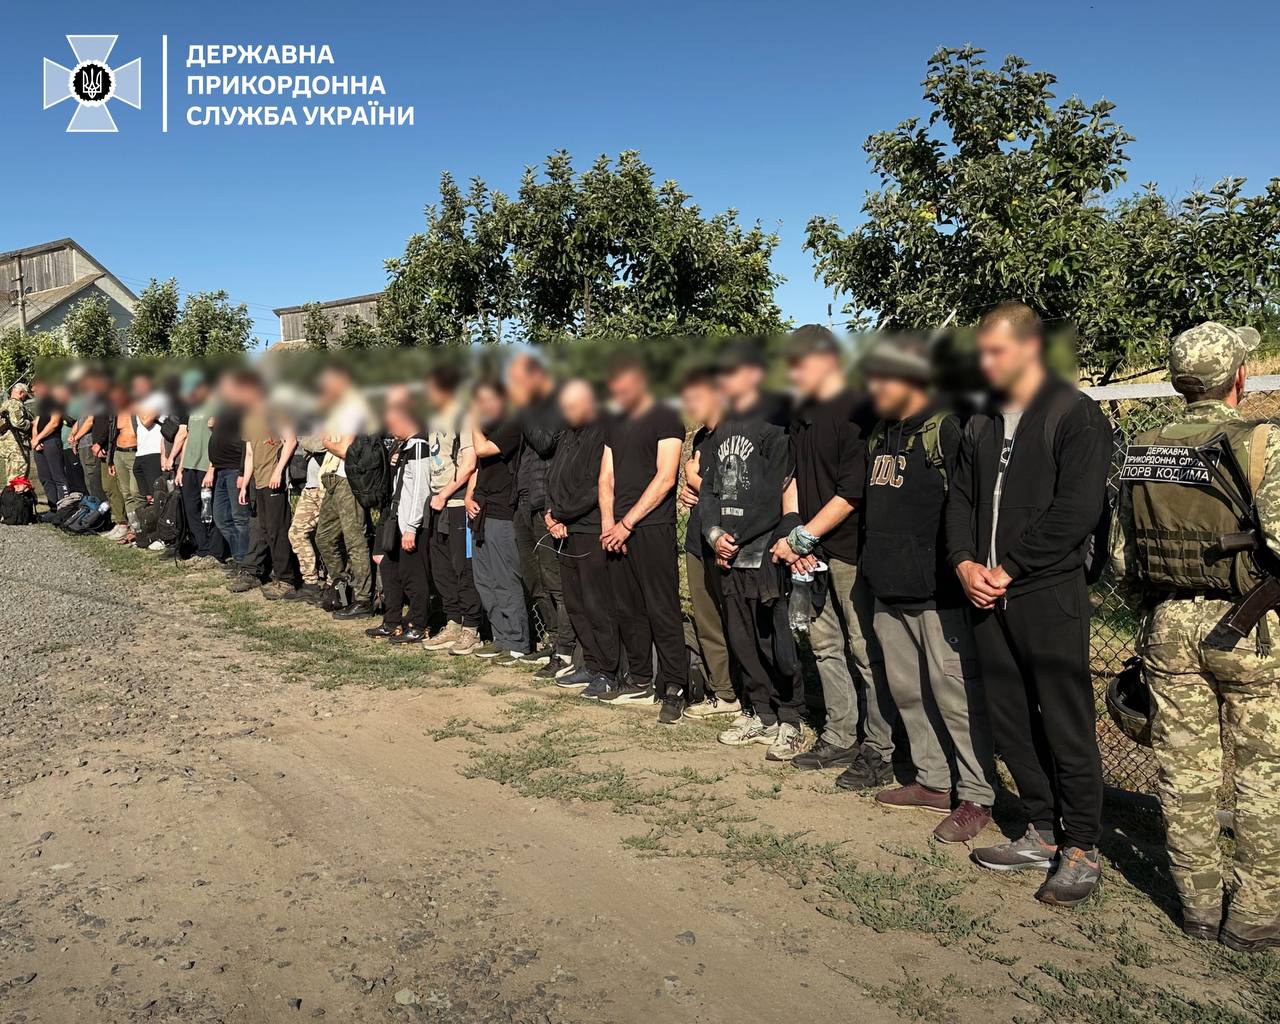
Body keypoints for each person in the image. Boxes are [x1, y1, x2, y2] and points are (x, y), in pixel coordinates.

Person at [1112, 321, 1280, 950]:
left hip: (1167, 628)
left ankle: (1199, 908)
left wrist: (1157, 607)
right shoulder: (1262, 442)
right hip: (1251, 629)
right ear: (1240, 376)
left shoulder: (1144, 447)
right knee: (1264, 775)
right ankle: (1256, 915)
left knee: (1184, 775)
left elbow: (1122, 559)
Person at [947, 301, 1111, 907]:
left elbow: (1076, 511)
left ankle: (1082, 845)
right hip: (985, 596)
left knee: (1066, 722)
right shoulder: (981, 421)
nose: (985, 364)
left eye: (996, 352)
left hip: (1046, 593)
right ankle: (1041, 830)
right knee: (1012, 721)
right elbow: (959, 502)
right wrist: (964, 564)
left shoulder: (1075, 414)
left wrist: (1010, 567)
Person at [857, 336, 998, 844]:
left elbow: (970, 507)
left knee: (956, 699)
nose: (873, 389)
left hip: (939, 594)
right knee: (909, 694)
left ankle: (977, 794)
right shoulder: (880, 434)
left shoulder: (948, 429)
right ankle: (933, 782)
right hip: (888, 590)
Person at [774, 325, 894, 786]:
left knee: (865, 651)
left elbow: (852, 494)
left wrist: (803, 538)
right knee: (825, 648)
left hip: (850, 552)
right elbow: (791, 480)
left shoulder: (856, 411)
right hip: (811, 553)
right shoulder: (800, 416)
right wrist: (794, 532)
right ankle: (840, 735)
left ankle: (880, 747)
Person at [705, 342, 801, 758]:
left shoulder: (776, 425)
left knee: (773, 640)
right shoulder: (724, 426)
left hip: (763, 553)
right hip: (727, 554)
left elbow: (775, 495)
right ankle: (760, 713)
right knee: (741, 638)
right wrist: (714, 535)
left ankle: (791, 718)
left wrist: (738, 537)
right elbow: (709, 491)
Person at [599, 353, 689, 724]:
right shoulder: (614, 423)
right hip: (617, 529)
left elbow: (666, 477)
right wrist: (609, 523)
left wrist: (629, 523)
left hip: (651, 526)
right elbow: (606, 477)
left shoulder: (665, 416)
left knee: (661, 607)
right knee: (628, 608)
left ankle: (675, 686)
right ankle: (639, 680)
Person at [545, 378, 619, 696]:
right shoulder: (567, 435)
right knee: (575, 603)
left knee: (596, 602)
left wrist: (562, 512)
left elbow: (594, 485)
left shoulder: (603, 432)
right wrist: (550, 514)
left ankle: (609, 670)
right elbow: (552, 477)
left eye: (573, 406)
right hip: (564, 528)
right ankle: (590, 662)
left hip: (589, 528)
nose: (568, 412)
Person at [677, 367, 741, 718]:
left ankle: (751, 693)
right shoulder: (701, 438)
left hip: (729, 542)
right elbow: (701, 491)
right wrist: (690, 494)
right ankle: (724, 693)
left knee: (736, 619)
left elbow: (737, 493)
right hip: (697, 539)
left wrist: (696, 484)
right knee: (706, 619)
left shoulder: (737, 434)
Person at [507, 353, 574, 675]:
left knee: (554, 579)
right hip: (524, 502)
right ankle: (553, 639)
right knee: (534, 579)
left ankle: (567, 650)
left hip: (545, 503)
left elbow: (546, 444)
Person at [465, 379, 530, 660]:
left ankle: (517, 642)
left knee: (505, 580)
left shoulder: (513, 424)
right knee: (484, 580)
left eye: (489, 399)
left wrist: (472, 421)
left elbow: (482, 451)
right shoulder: (487, 428)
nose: (485, 405)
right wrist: (469, 496)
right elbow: (479, 468)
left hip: (502, 513)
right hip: (479, 512)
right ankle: (500, 637)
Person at [422, 365, 482, 655]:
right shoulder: (434, 419)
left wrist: (445, 494)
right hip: (436, 503)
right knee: (442, 569)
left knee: (463, 567)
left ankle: (471, 628)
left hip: (456, 502)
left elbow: (469, 462)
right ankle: (453, 622)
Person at [314, 364, 376, 619]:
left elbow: (344, 449)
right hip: (332, 479)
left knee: (355, 540)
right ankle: (343, 584)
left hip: (349, 481)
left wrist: (327, 441)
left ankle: (363, 598)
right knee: (324, 537)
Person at [367, 399, 432, 642]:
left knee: (413, 576)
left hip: (409, 524)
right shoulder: (403, 446)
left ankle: (418, 625)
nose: (391, 430)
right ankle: (392, 621)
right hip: (395, 519)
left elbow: (420, 491)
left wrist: (411, 527)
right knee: (390, 569)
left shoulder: (419, 446)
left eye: (394, 424)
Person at [231, 374, 298, 598]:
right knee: (266, 530)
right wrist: (244, 485)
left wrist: (278, 471)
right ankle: (272, 574)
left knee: (278, 530)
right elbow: (250, 454)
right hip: (259, 482)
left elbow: (291, 440)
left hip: (274, 480)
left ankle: (286, 580)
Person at [171, 370, 225, 568]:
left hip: (206, 466)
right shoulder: (193, 408)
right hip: (190, 466)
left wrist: (212, 468)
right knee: (191, 508)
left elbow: (218, 440)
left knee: (208, 510)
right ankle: (202, 548)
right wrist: (180, 468)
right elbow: (188, 438)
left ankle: (215, 552)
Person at [207, 372, 251, 569]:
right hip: (220, 470)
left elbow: (246, 444)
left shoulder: (243, 409)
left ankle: (245, 563)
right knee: (221, 518)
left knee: (240, 518)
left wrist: (242, 472)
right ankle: (238, 556)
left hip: (234, 469)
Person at [107, 381, 144, 542]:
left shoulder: (137, 407)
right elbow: (112, 436)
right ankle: (133, 528)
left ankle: (143, 528)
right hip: (119, 453)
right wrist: (110, 460)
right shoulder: (116, 412)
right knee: (126, 493)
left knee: (136, 492)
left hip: (134, 453)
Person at [29, 377, 69, 506]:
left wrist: (39, 438)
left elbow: (54, 422)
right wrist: (35, 440)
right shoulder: (42, 403)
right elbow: (36, 423)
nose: (35, 394)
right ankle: (53, 507)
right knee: (45, 477)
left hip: (51, 441)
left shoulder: (54, 400)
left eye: (36, 391)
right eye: (33, 392)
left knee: (58, 476)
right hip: (39, 444)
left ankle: (64, 507)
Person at [0, 383, 32, 487]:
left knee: (11, 476)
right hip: (17, 445)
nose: (26, 398)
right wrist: (31, 423)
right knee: (19, 476)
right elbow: (17, 422)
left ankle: (11, 495)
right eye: (25, 395)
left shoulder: (5, 404)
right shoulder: (15, 404)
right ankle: (17, 496)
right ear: (21, 392)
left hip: (7, 446)